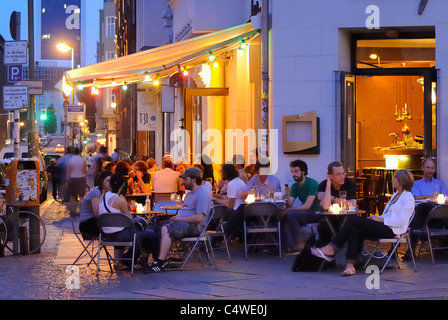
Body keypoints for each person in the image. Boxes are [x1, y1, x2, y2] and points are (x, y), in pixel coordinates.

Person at [311, 170, 415, 276]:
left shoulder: (408, 198)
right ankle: (350, 266)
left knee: (353, 219)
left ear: (401, 181)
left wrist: (380, 219)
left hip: (392, 230)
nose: (392, 180)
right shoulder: (396, 195)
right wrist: (376, 218)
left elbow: (401, 221)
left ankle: (332, 248)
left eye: (394, 178)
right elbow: (388, 214)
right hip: (384, 225)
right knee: (355, 229)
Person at [146, 167, 211, 273]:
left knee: (166, 228)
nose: (183, 182)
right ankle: (147, 259)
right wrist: (177, 218)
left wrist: (180, 219)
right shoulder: (189, 194)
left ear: (194, 179)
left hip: (196, 227)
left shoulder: (202, 194)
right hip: (184, 223)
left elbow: (199, 218)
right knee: (152, 226)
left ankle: (160, 262)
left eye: (185, 179)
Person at [98, 173, 158, 270]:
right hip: (121, 235)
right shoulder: (120, 200)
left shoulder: (102, 197)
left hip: (106, 235)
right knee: (150, 234)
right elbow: (130, 219)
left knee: (140, 234)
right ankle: (156, 261)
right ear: (122, 185)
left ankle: (122, 262)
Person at [282, 159, 321, 254]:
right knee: (280, 214)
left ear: (303, 171)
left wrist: (288, 210)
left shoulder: (312, 183)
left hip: (316, 212)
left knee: (290, 214)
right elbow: (290, 204)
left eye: (296, 171)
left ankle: (293, 247)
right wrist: (287, 195)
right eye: (292, 171)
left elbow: (307, 206)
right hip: (305, 213)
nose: (293, 174)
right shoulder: (295, 186)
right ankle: (280, 244)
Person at [314, 162, 357, 246]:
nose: (342, 176)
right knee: (323, 226)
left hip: (346, 218)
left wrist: (333, 198)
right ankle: (326, 253)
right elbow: (325, 206)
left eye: (343, 173)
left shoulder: (349, 183)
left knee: (355, 228)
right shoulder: (323, 185)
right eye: (338, 174)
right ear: (330, 176)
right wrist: (328, 185)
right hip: (330, 218)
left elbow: (353, 204)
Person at [213, 164, 247, 239]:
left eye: (221, 171)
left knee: (215, 218)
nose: (220, 173)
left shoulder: (232, 184)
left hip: (235, 213)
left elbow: (231, 205)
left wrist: (216, 201)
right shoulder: (239, 181)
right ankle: (214, 241)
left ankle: (213, 240)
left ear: (225, 173)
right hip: (241, 211)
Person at [79, 170, 113, 238]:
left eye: (111, 181)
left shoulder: (106, 192)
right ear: (101, 181)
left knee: (117, 226)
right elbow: (97, 214)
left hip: (95, 222)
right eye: (108, 181)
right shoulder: (96, 192)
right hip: (87, 224)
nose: (110, 183)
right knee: (115, 229)